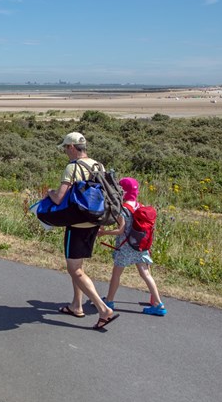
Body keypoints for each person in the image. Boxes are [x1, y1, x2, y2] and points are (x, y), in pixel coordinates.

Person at [48, 132, 118, 330]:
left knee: (74, 269)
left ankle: (103, 309)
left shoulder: (72, 167)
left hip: (77, 225)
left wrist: (50, 193)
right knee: (79, 266)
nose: (65, 152)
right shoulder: (98, 165)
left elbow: (59, 198)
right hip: (94, 222)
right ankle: (76, 305)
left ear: (71, 147)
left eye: (65, 148)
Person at [99, 177, 167, 316]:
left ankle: (109, 301)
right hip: (140, 246)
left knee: (116, 274)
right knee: (146, 274)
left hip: (125, 247)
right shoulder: (140, 206)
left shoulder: (123, 209)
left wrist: (103, 232)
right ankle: (159, 304)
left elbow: (121, 230)